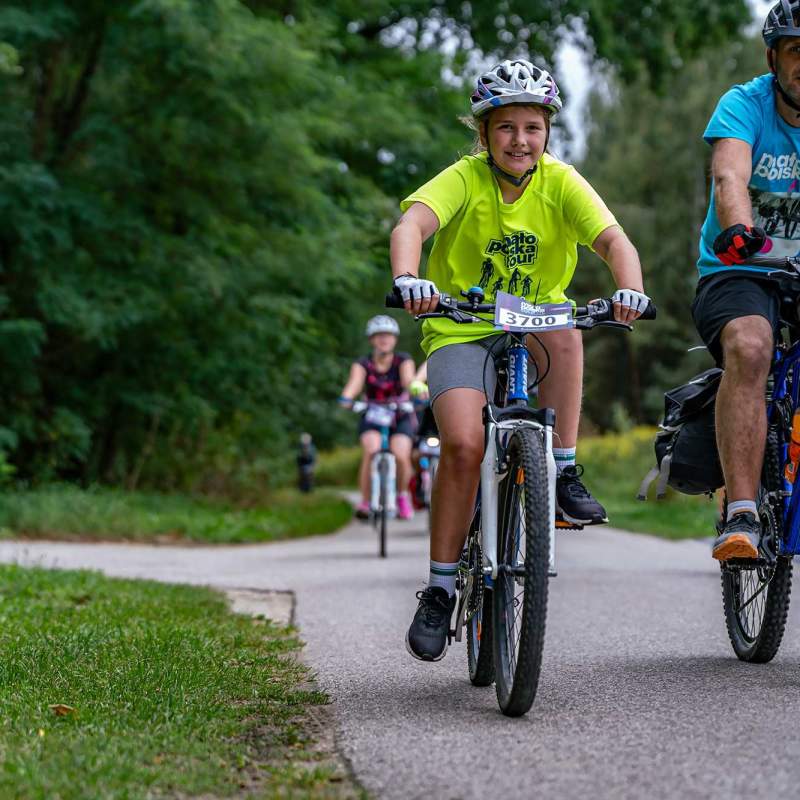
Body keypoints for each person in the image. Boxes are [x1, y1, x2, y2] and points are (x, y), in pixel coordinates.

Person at [390, 58, 651, 661]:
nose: (520, 141)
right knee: (461, 445)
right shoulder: (464, 177)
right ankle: (440, 588)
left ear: (547, 133)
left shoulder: (561, 180)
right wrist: (409, 279)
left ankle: (562, 469)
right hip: (460, 326)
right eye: (505, 128)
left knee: (568, 325)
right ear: (483, 133)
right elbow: (412, 224)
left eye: (532, 128)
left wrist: (629, 287)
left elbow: (614, 241)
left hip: (535, 326)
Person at [691, 0, 800, 561]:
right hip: (741, 268)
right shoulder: (744, 104)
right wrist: (738, 228)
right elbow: (730, 172)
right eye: (797, 50)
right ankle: (742, 511)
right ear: (774, 57)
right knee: (752, 346)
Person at [339, 315, 416, 520]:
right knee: (371, 450)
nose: (384, 339)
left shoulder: (403, 360)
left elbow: (408, 381)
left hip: (400, 414)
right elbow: (354, 384)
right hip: (373, 415)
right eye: (379, 335)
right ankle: (365, 501)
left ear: (395, 339)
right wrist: (346, 398)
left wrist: (415, 392)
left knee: (401, 455)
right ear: (372, 339)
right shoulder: (363, 363)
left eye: (388, 335)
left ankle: (402, 495)